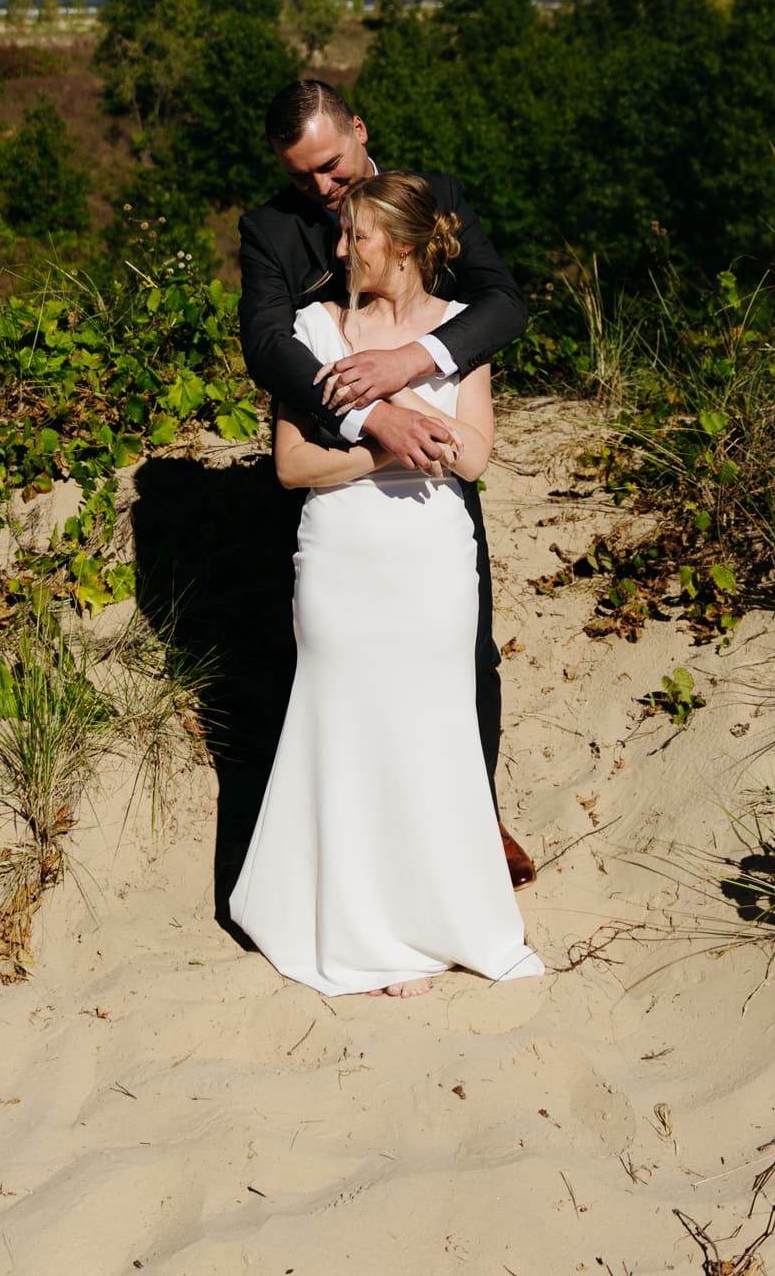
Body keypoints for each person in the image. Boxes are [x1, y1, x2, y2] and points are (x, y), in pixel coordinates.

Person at [229, 172, 544, 995]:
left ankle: (431, 916)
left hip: (431, 561)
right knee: (349, 731)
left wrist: (405, 398)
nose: (337, 251)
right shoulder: (311, 328)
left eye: (354, 237)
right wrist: (387, 442)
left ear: (401, 246)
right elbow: (294, 466)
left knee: (428, 734)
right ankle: (352, 921)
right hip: (341, 559)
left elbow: (473, 455)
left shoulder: (454, 331)